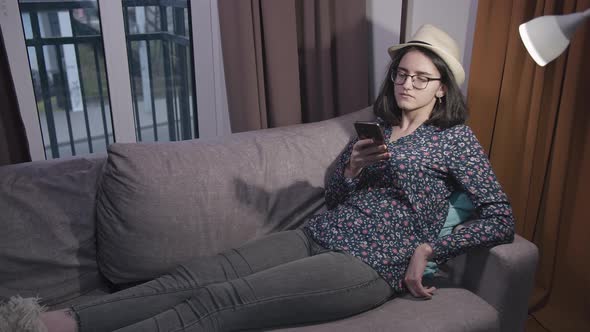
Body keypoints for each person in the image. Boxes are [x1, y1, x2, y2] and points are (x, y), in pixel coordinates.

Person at [1, 24, 515, 332]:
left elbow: (500, 216)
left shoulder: (455, 141)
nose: (406, 83)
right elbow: (336, 192)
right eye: (402, 73)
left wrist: (430, 249)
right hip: (317, 234)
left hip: (368, 263)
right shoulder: (378, 125)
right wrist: (352, 167)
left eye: (421, 77)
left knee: (221, 301)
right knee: (197, 276)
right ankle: (64, 322)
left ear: (441, 89)